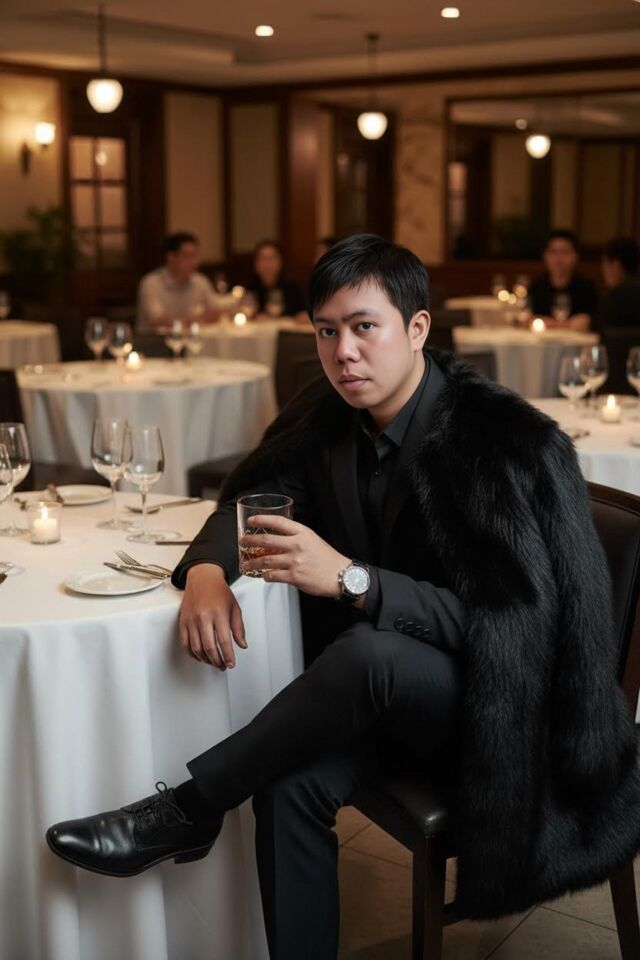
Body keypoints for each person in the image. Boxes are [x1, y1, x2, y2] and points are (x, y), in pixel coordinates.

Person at [47, 235, 640, 960]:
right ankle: (203, 823)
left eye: (364, 327)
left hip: (504, 712)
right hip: (383, 697)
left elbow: (517, 625)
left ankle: (188, 807)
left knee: (369, 652)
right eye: (326, 332)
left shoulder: (500, 444)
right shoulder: (326, 415)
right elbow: (254, 500)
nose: (343, 353)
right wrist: (204, 571)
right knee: (287, 783)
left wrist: (352, 579)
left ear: (417, 328)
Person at [137, 232, 220, 331]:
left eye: (195, 256)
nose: (194, 262)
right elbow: (157, 320)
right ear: (171, 257)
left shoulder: (200, 281)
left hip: (190, 337)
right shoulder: (151, 283)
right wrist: (193, 319)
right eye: (187, 256)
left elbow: (214, 310)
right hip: (155, 338)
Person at [528, 229, 598, 331]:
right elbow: (529, 319)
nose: (558, 258)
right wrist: (568, 324)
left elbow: (591, 321)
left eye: (564, 252)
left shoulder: (587, 288)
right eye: (553, 252)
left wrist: (549, 323)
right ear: (545, 256)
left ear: (575, 256)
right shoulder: (537, 287)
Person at [249, 240, 308, 322]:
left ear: (280, 262)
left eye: (271, 259)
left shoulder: (294, 287)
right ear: (255, 264)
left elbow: (306, 314)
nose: (267, 264)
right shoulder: (250, 289)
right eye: (263, 259)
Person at [597, 236, 640, 331]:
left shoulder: (616, 296)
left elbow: (603, 332)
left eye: (604, 264)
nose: (603, 271)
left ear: (615, 265)